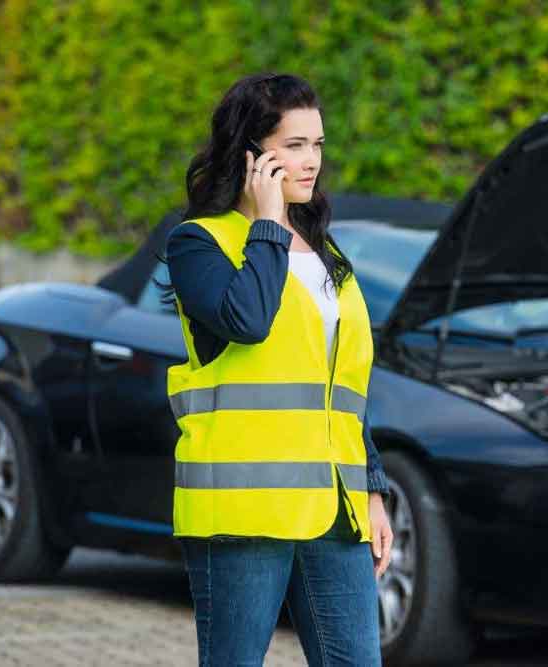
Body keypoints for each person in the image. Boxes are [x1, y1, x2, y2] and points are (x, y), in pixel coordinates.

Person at [156, 72, 393, 666]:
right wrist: (267, 224)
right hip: (244, 512)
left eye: (317, 145)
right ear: (252, 156)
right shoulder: (198, 244)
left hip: (335, 511)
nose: (311, 161)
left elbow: (345, 387)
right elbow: (247, 320)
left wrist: (372, 489)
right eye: (294, 146)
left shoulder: (327, 254)